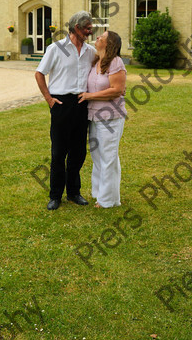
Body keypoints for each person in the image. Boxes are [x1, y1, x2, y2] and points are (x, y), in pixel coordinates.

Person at [35, 11, 96, 210]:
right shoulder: (56, 49)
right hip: (60, 104)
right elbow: (39, 73)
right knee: (58, 152)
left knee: (78, 153)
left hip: (82, 104)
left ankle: (74, 193)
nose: (90, 31)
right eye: (87, 27)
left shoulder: (90, 52)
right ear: (76, 28)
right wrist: (49, 99)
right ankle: (55, 196)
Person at [78, 31, 127, 208]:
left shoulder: (116, 62)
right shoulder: (96, 61)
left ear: (109, 43)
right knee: (98, 157)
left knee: (108, 157)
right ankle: (99, 193)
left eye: (102, 37)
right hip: (94, 117)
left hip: (111, 118)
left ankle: (108, 200)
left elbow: (117, 90)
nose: (97, 37)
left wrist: (90, 96)